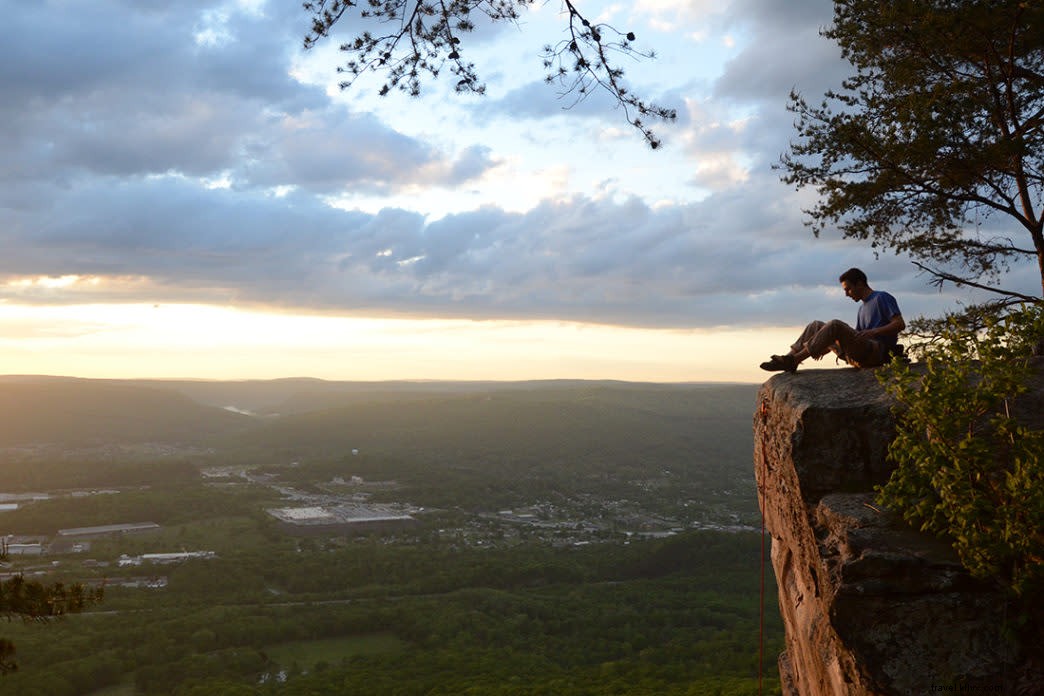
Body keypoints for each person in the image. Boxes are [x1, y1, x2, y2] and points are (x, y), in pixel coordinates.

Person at [760, 268, 905, 372]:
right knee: (816, 325)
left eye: (848, 289)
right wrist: (823, 346)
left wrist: (874, 332)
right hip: (859, 353)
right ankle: (788, 359)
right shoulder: (862, 308)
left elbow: (900, 324)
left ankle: (794, 360)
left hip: (876, 352)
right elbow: (856, 337)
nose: (847, 294)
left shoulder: (882, 298)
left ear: (860, 284)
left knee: (835, 324)